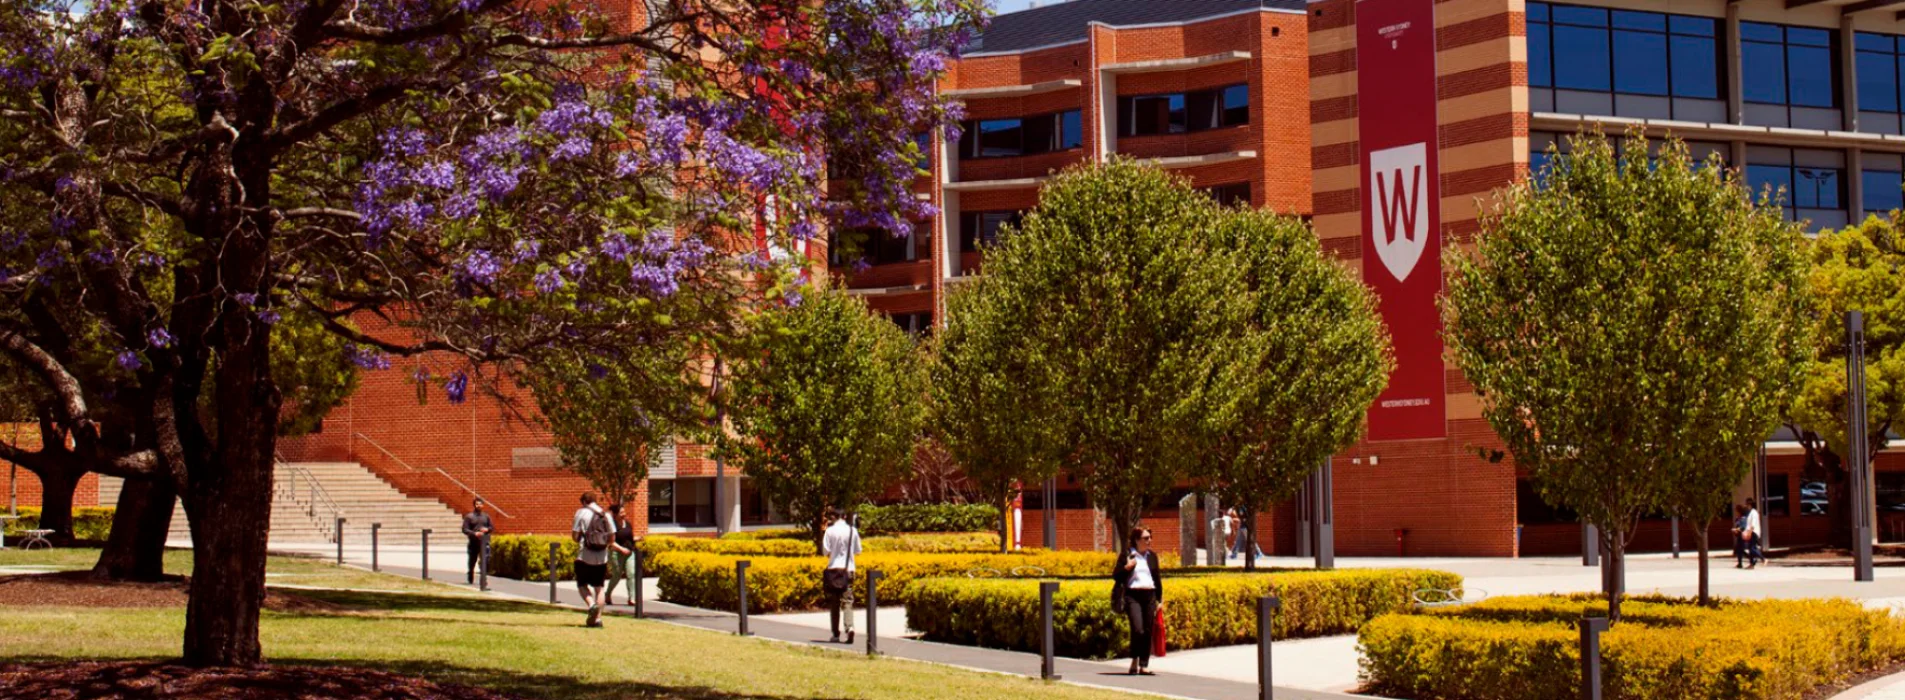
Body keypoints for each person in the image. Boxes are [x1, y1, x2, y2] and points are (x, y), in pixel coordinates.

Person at [1112, 526, 1164, 676]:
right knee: (1137, 629)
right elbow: (1116, 576)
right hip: (1132, 595)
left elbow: (1157, 579)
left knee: (1147, 630)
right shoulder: (1127, 555)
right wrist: (1127, 568)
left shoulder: (1152, 556)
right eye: (1146, 538)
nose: (1149, 541)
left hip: (1149, 595)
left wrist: (1159, 599)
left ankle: (1143, 664)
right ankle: (1134, 659)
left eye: (1150, 538)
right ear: (1137, 540)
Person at [572, 493, 630, 627]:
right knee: (599, 588)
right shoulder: (606, 515)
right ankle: (598, 619)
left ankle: (591, 605)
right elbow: (612, 539)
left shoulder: (580, 513)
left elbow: (575, 536)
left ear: (584, 502)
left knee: (582, 585)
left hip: (584, 555)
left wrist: (583, 537)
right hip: (602, 557)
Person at [821, 506, 862, 644]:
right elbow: (858, 550)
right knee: (848, 601)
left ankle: (835, 634)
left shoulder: (830, 531)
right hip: (848, 569)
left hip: (833, 570)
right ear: (844, 517)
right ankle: (849, 627)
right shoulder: (852, 531)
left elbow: (825, 551)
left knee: (834, 604)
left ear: (834, 517)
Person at [603, 503, 638, 606]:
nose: (624, 514)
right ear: (615, 514)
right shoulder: (612, 525)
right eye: (621, 512)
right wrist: (621, 549)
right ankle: (607, 594)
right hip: (616, 553)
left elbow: (630, 538)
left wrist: (637, 539)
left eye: (624, 511)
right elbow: (610, 541)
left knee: (631, 574)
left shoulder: (628, 524)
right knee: (617, 575)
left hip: (630, 552)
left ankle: (632, 598)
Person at [462, 497, 494, 584]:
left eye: (480, 504)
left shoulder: (486, 516)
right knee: (472, 560)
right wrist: (474, 534)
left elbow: (491, 527)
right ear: (474, 505)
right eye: (477, 504)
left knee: (485, 560)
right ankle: (470, 575)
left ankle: (483, 579)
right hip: (473, 542)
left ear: (483, 505)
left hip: (484, 542)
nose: (478, 505)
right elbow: (465, 529)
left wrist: (487, 529)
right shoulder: (469, 517)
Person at [1743, 497, 1764, 569]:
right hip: (1750, 532)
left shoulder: (1754, 512)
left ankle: (1763, 559)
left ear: (1750, 504)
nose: (1746, 506)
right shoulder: (1750, 512)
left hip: (1754, 532)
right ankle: (1752, 564)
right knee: (1750, 548)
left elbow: (1753, 524)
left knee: (1752, 548)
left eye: (1747, 504)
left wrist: (1749, 532)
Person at [1731, 504, 1749, 568]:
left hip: (1742, 536)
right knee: (1739, 550)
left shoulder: (1743, 518)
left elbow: (1743, 527)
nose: (1736, 512)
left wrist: (1736, 529)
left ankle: (1751, 559)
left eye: (1737, 511)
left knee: (1740, 550)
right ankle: (1740, 563)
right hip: (1739, 536)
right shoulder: (1738, 518)